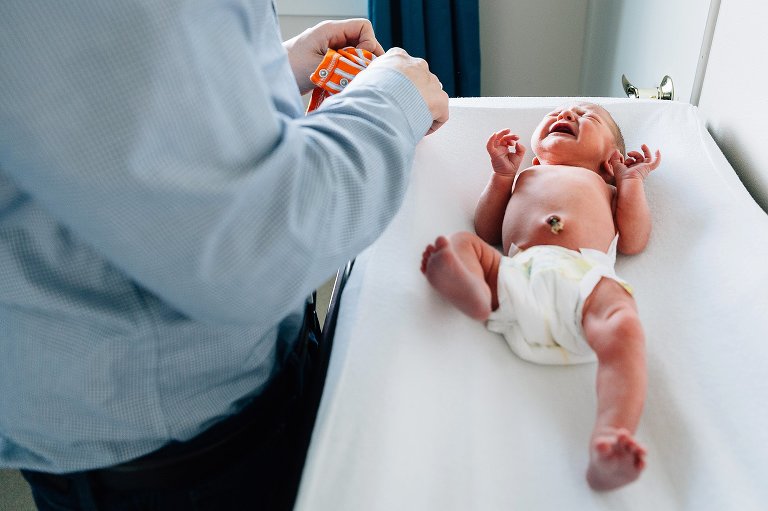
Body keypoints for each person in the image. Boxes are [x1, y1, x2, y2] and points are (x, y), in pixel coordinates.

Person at [0, 1, 448, 509]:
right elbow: (256, 245)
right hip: (182, 464)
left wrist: (261, 74)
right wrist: (392, 100)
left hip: (203, 420)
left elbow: (102, 122)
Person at [420, 102, 660, 491]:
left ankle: (611, 438)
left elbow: (634, 241)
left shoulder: (608, 186)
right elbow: (488, 230)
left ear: (611, 159)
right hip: (521, 269)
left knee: (625, 326)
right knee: (463, 243)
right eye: (561, 112)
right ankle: (474, 289)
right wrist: (502, 177)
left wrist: (631, 182)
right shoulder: (525, 175)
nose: (568, 115)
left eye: (589, 117)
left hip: (586, 276)